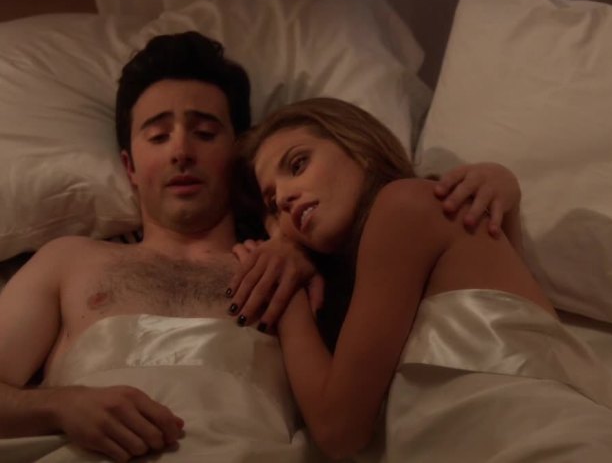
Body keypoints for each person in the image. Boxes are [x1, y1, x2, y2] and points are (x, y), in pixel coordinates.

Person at [0, 31, 525, 463]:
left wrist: (495, 184)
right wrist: (59, 406)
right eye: (158, 137)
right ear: (129, 167)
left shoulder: (313, 265)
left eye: (205, 133)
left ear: (239, 155)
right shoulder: (68, 260)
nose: (181, 150)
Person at [235, 97, 612, 462]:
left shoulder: (405, 207)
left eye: (298, 164)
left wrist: (285, 294)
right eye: (272, 204)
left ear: (357, 145)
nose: (287, 196)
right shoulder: (388, 271)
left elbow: (338, 431)